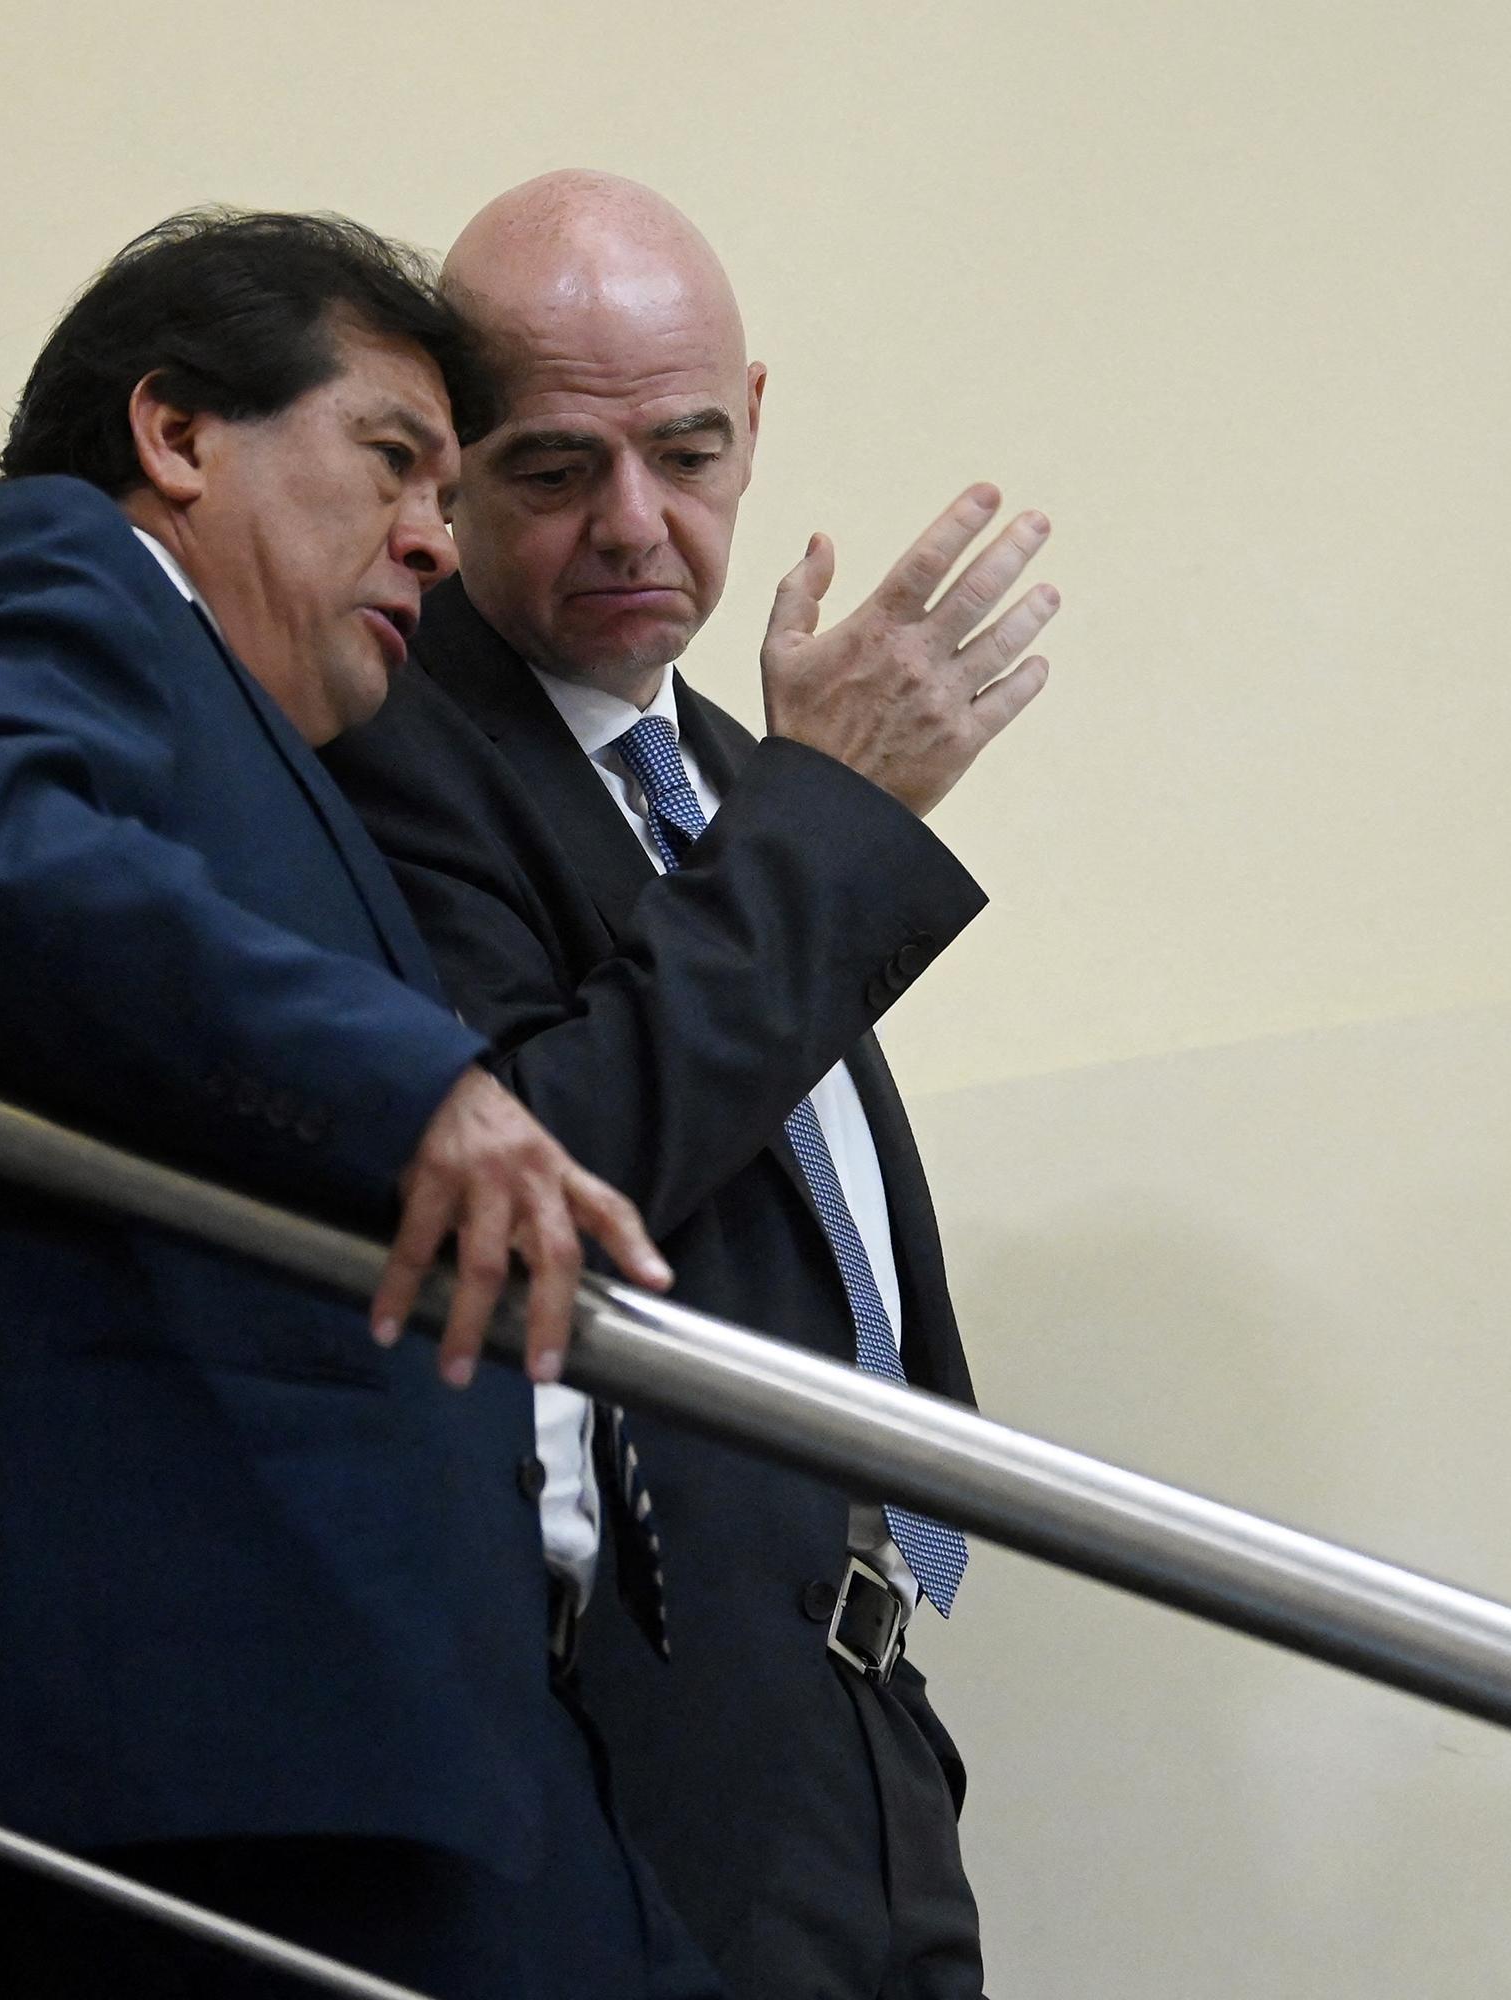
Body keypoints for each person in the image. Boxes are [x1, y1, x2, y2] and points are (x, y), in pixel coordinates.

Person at [0, 207, 722, 2000]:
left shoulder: (282, 762)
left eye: (449, 495)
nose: (435, 543)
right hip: (232, 1746)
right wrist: (415, 1087)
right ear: (178, 435)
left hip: (423, 1741)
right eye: (393, 462)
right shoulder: (56, 566)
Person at [321, 170, 1056, 2000]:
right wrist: (834, 821)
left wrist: (802, 808)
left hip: (856, 1711)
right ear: (447, 470)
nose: (636, 523)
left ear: (755, 424)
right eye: (557, 469)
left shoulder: (737, 772)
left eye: (689, 450)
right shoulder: (392, 749)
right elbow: (554, 1161)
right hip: (631, 1733)